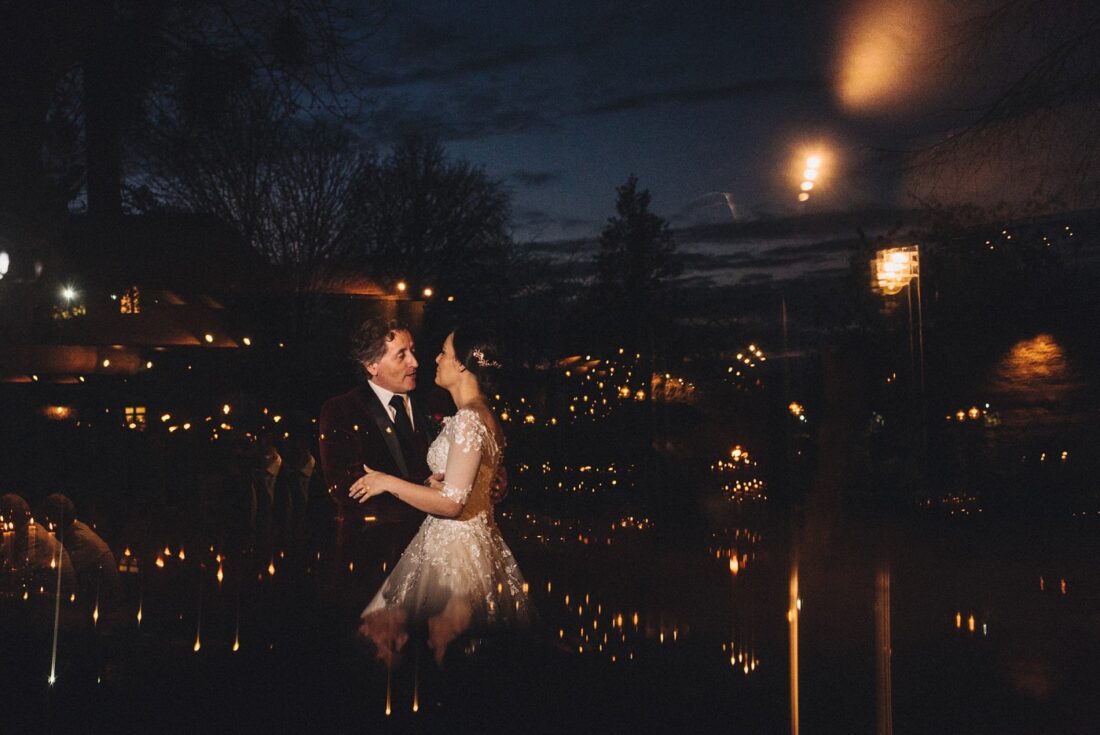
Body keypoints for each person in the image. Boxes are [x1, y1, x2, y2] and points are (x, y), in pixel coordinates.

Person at [351, 326, 532, 665]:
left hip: (451, 554)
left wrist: (387, 482)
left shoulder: (467, 417)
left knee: (440, 651)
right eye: (402, 354)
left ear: (462, 364)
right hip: (413, 544)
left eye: (444, 352)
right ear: (371, 365)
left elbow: (452, 503)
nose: (431, 359)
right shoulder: (479, 413)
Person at [319, 318, 436, 573]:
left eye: (412, 351)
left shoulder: (432, 404)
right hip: (372, 555)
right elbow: (346, 488)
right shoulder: (341, 409)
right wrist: (430, 490)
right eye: (401, 355)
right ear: (372, 365)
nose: (414, 362)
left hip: (434, 553)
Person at [37, 493, 120, 601]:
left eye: (47, 515)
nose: (44, 520)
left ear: (55, 517)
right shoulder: (75, 531)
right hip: (96, 593)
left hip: (103, 599)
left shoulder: (78, 539)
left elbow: (63, 574)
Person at [0, 493, 76, 596]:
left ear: (13, 517)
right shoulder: (21, 534)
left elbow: (20, 574)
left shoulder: (34, 537)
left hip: (59, 595)